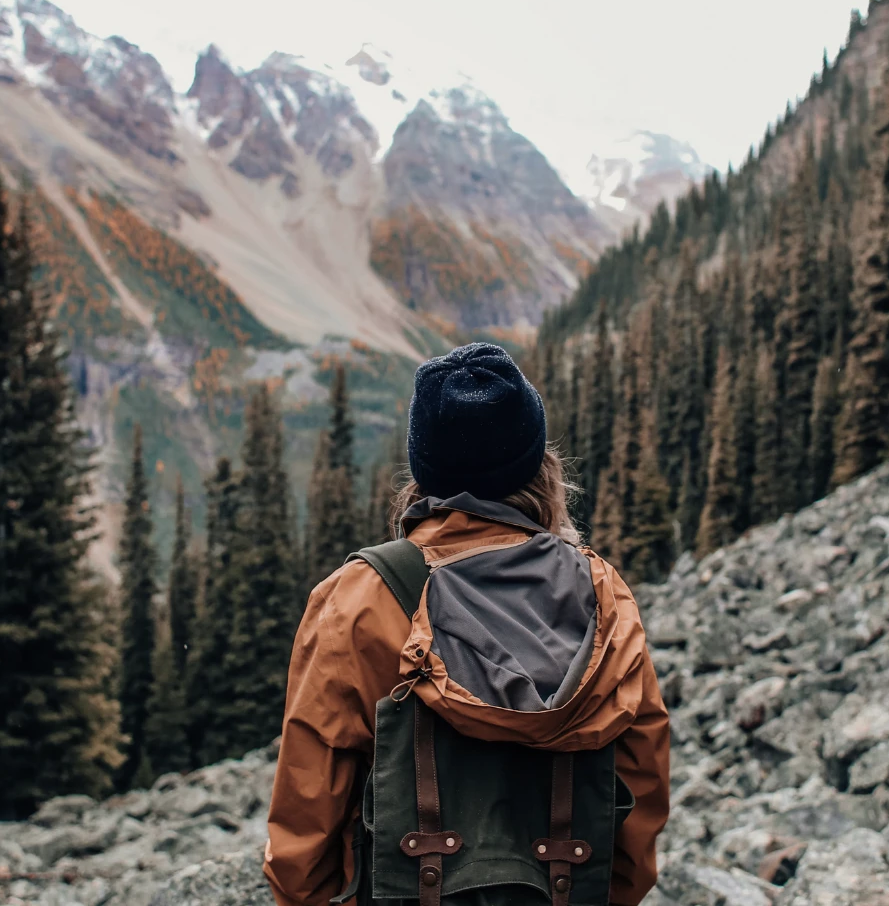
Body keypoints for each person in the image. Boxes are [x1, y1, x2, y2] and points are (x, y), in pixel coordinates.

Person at [265, 342, 670, 906]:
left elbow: (306, 825)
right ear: (539, 468)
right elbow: (639, 790)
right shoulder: (604, 596)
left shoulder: (355, 599)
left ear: (424, 473)